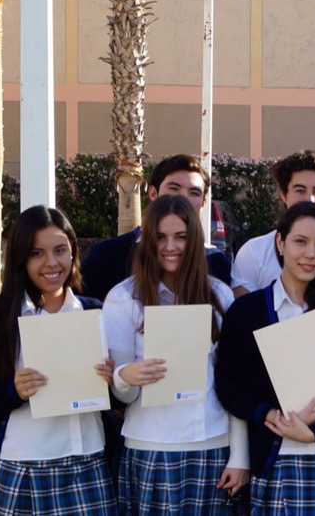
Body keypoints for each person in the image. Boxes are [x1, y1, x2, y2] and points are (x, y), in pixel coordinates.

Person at [215, 202, 315, 515]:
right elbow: (229, 385)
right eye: (300, 242)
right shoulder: (248, 312)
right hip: (275, 457)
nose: (311, 254)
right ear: (281, 242)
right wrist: (266, 414)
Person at [0, 206, 117, 515]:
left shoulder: (95, 313)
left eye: (60, 250)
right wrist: (12, 391)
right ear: (20, 258)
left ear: (73, 252)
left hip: (87, 463)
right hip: (19, 466)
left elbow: (118, 396)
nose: (51, 263)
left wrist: (112, 381)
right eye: (37, 253)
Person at [104, 195, 248, 514]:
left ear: (194, 240)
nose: (171, 246)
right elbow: (120, 393)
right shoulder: (123, 299)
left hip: (212, 445)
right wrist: (125, 377)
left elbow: (233, 383)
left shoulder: (220, 296)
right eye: (161, 237)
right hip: (149, 447)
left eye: (181, 237)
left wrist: (240, 457)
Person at [81, 154, 231, 300]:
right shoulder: (108, 256)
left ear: (204, 203)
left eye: (194, 192)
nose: (183, 198)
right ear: (153, 193)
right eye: (174, 188)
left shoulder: (216, 263)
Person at [231, 150, 315, 296]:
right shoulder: (253, 253)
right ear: (284, 195)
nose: (310, 199)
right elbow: (244, 312)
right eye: (300, 190)